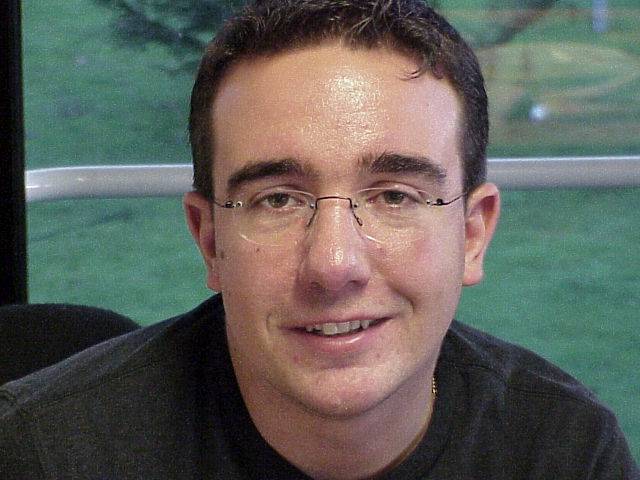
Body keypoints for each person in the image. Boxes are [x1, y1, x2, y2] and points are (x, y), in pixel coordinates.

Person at [1, 0, 638, 478]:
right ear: (209, 239)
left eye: (394, 196)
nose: (334, 264)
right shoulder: (45, 455)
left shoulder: (565, 451)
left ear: (472, 235)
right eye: (277, 199)